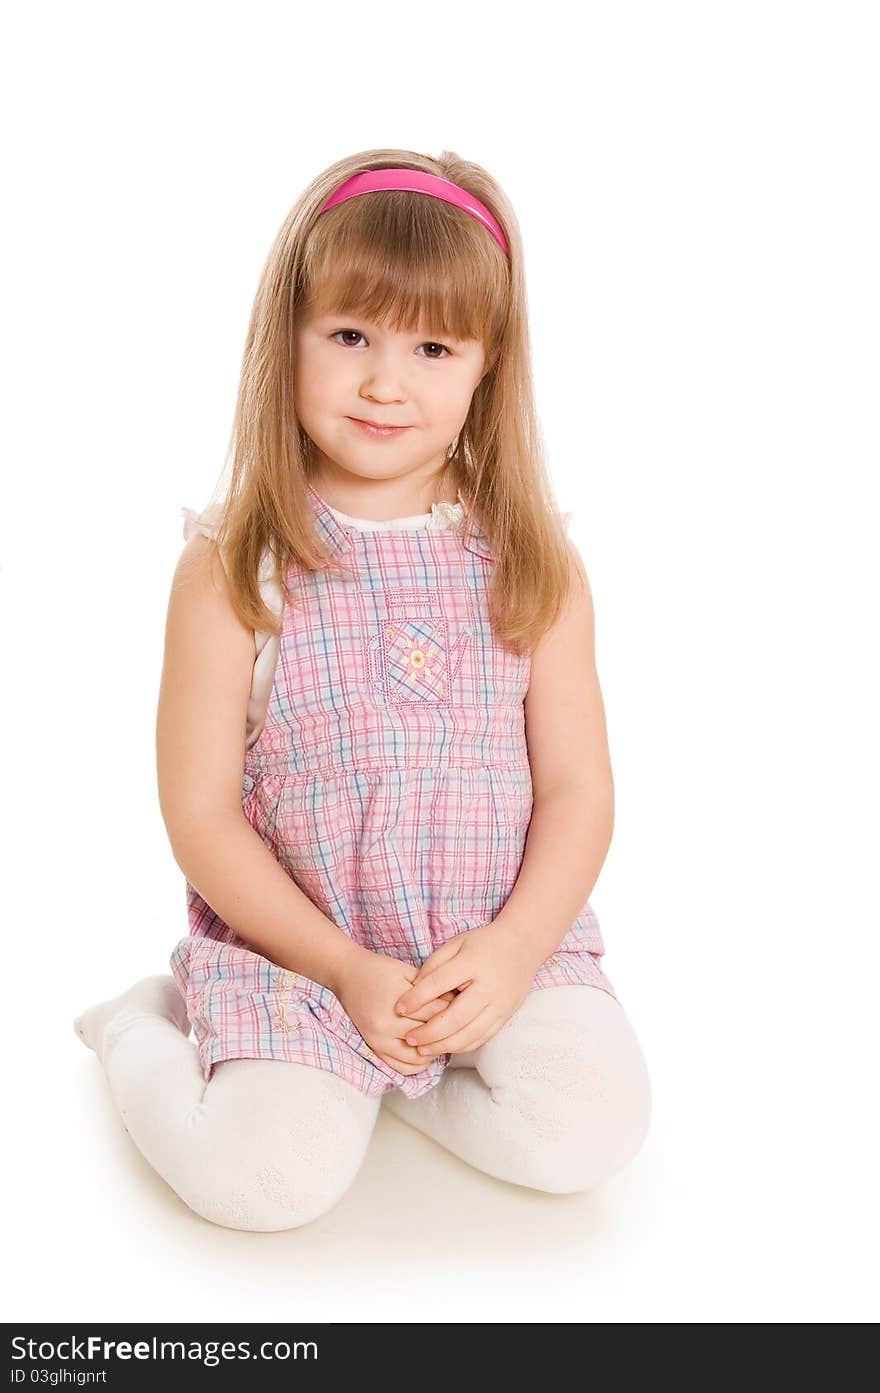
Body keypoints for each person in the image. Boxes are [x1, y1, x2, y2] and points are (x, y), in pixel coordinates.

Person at [74, 149, 652, 1232]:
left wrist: (518, 946)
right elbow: (198, 813)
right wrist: (341, 968)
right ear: (285, 338)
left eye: (433, 345)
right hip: (303, 954)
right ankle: (137, 1030)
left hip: (491, 948)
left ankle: (401, 1077)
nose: (388, 381)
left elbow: (578, 789)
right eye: (350, 336)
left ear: (488, 365)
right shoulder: (232, 569)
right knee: (260, 1188)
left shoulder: (531, 561)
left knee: (591, 1129)